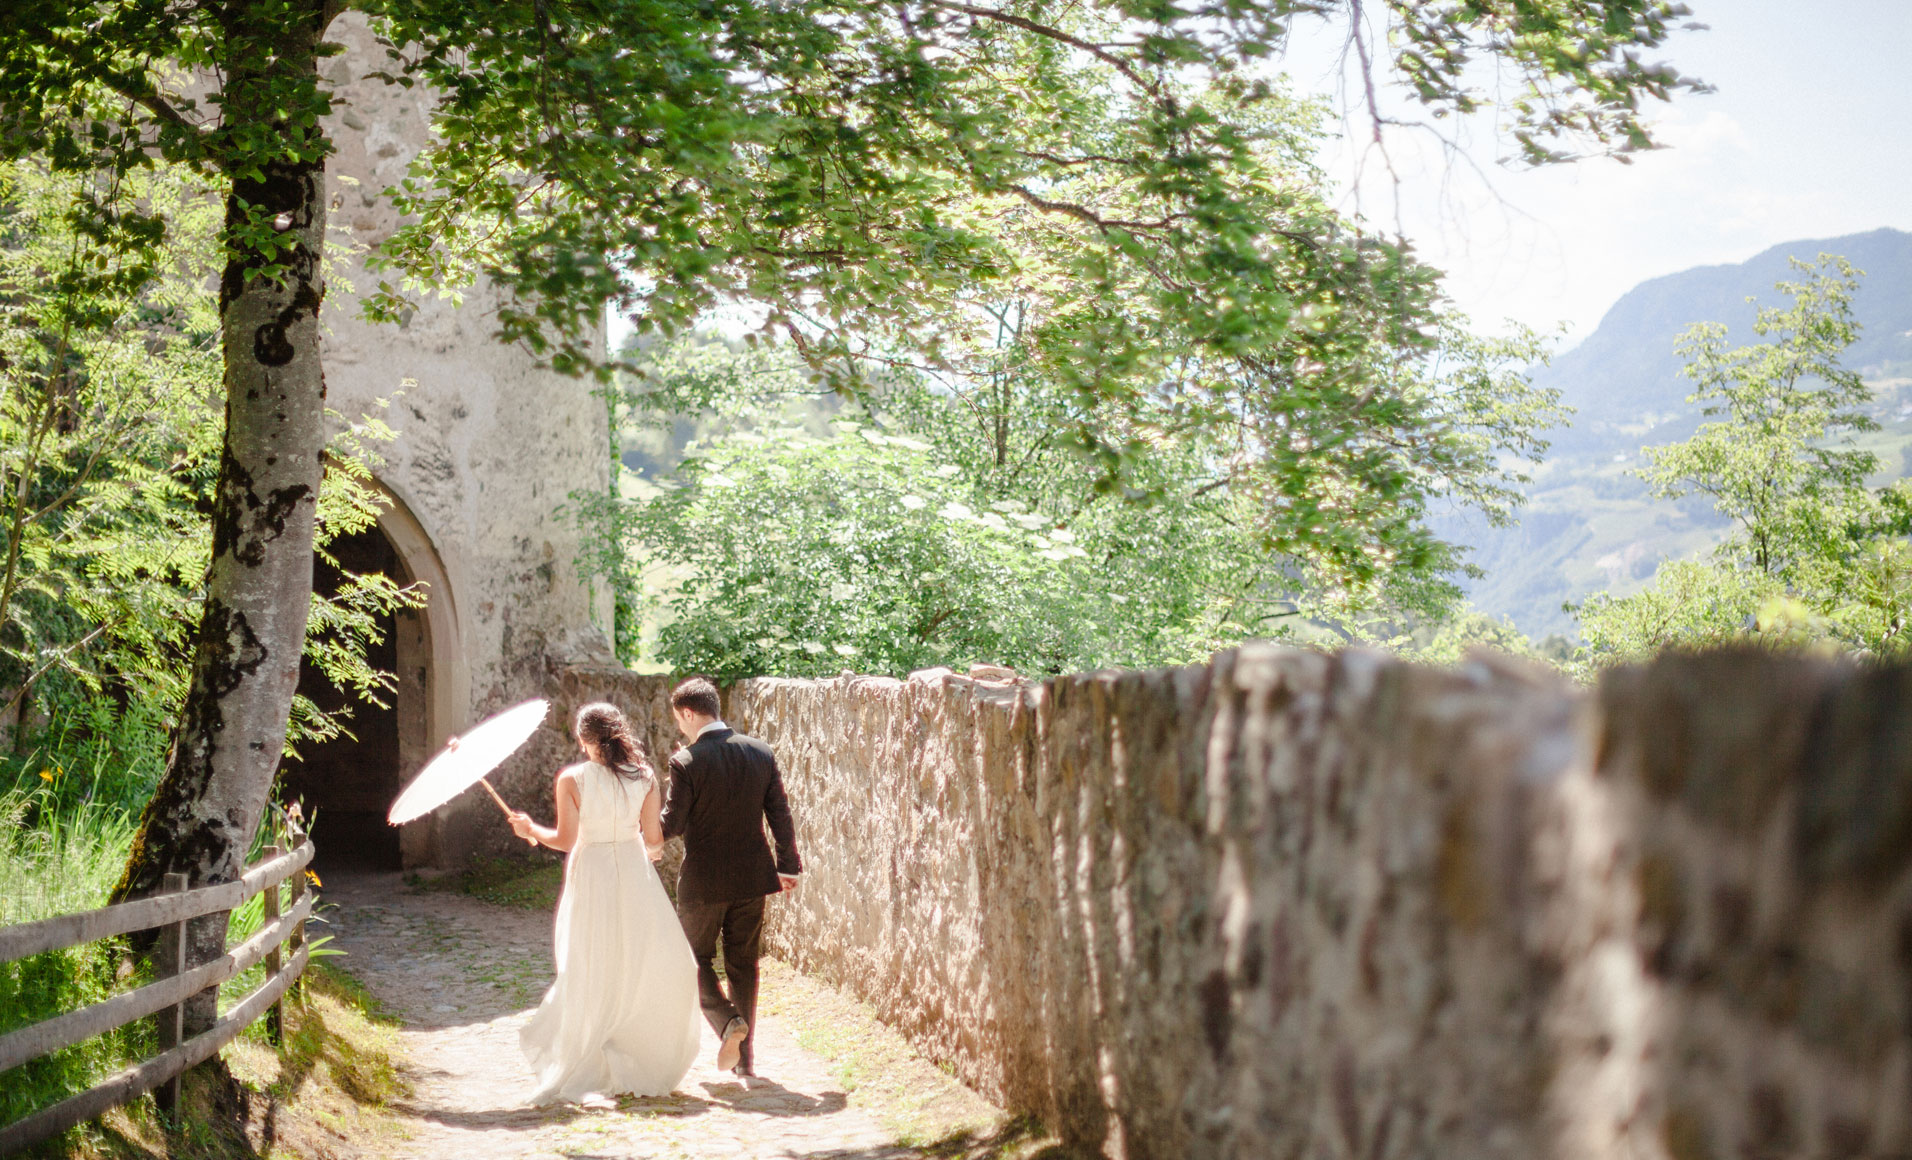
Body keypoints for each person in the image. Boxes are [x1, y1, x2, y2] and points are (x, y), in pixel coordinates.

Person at [508, 702, 701, 1104]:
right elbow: (653, 839)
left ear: (583, 740)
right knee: (637, 957)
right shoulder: (645, 776)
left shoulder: (572, 779)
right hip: (633, 872)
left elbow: (564, 840)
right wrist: (647, 846)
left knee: (592, 958)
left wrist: (529, 830)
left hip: (593, 871)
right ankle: (634, 1049)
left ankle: (592, 1050)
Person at [662, 676, 803, 1079]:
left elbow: (672, 825)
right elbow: (780, 813)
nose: (681, 729)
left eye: (680, 720)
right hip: (752, 877)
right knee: (743, 963)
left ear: (689, 713)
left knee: (691, 959)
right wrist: (787, 865)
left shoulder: (686, 761)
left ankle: (727, 1023)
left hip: (703, 883)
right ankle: (746, 1061)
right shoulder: (760, 752)